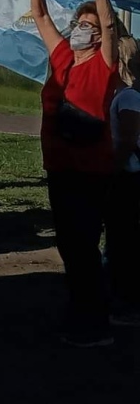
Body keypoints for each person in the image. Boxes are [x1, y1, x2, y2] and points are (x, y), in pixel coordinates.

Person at [31, 0, 119, 347]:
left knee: (83, 246)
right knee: (69, 245)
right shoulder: (63, 57)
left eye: (87, 26)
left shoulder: (103, 64)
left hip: (89, 168)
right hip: (59, 166)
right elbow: (41, 18)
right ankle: (79, 311)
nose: (79, 29)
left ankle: (94, 322)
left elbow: (110, 19)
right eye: (78, 24)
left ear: (100, 35)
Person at [105, 35, 140, 326]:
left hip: (127, 176)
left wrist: (113, 166)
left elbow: (128, 139)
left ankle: (123, 302)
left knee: (122, 240)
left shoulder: (128, 96)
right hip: (125, 174)